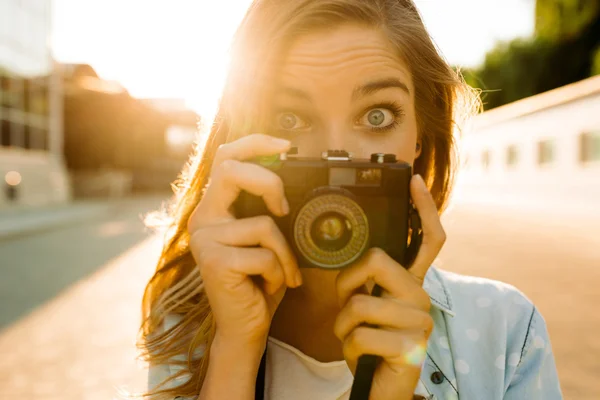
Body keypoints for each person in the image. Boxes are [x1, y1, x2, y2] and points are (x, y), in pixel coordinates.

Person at [138, 1, 563, 399]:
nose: (335, 155)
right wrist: (234, 350)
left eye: (377, 115)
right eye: (291, 118)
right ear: (244, 139)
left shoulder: (506, 329)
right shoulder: (183, 322)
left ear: (420, 134)